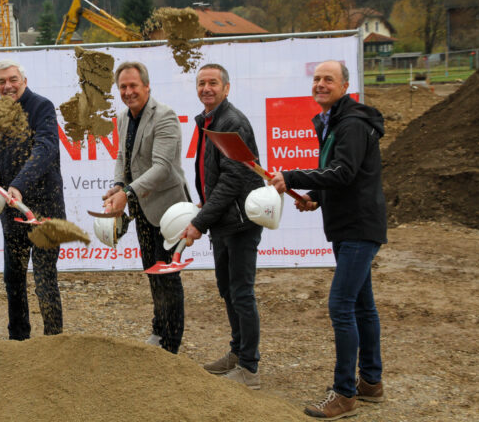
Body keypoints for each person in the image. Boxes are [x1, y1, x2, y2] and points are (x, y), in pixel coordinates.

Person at [269, 60, 386, 419]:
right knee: (362, 305)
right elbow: (347, 177)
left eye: (328, 79)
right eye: (317, 78)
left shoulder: (350, 124)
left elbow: (343, 172)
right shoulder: (338, 121)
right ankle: (371, 382)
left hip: (357, 229)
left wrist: (290, 176)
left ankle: (344, 394)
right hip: (350, 225)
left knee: (340, 305)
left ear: (345, 85)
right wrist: (316, 197)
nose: (320, 84)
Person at [180, 64, 265, 388]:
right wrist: (206, 207)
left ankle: (249, 368)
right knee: (227, 290)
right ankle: (237, 352)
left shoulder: (232, 123)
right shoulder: (209, 121)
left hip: (240, 223)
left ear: (226, 88)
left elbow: (234, 179)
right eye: (201, 83)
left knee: (242, 292)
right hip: (224, 221)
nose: (206, 88)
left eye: (213, 83)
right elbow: (215, 177)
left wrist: (201, 221)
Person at [102, 61, 190, 354]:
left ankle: (171, 344)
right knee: (152, 270)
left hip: (168, 208)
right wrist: (118, 183)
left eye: (133, 86)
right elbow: (121, 156)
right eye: (123, 87)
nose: (128, 92)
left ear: (147, 87)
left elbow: (163, 168)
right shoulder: (124, 117)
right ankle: (159, 329)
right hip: (142, 207)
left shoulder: (164, 116)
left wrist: (127, 192)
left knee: (167, 274)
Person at [0, 59, 65, 340]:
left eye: (13, 80)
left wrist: (18, 185)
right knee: (13, 278)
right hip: (11, 210)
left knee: (44, 278)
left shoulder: (42, 107)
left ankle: (54, 341)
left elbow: (46, 149)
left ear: (24, 81)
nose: (8, 86)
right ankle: (18, 340)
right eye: (1, 82)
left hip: (44, 209)